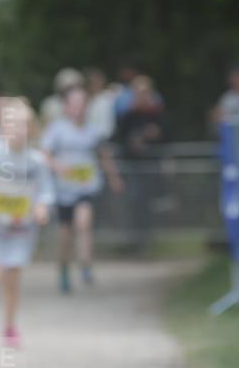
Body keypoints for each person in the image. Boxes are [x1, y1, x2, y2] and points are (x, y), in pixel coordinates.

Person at [0, 97, 53, 347]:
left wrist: (41, 207)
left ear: (31, 129)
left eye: (22, 125)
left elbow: (45, 190)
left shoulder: (36, 160)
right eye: (12, 124)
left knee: (13, 281)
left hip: (20, 230)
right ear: (3, 127)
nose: (17, 130)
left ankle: (10, 326)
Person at [41, 86, 123, 293]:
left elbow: (104, 155)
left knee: (83, 223)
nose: (78, 108)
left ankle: (85, 264)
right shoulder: (57, 130)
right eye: (74, 104)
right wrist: (58, 167)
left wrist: (114, 178)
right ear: (67, 107)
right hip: (63, 190)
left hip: (86, 187)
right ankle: (64, 268)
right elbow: (44, 155)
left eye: (82, 104)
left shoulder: (93, 131)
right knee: (65, 234)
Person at [115, 75, 165, 253]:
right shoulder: (127, 116)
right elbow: (119, 139)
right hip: (133, 167)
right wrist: (132, 143)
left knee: (148, 203)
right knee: (133, 201)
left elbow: (165, 137)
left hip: (151, 166)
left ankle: (147, 240)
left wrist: (155, 135)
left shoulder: (156, 114)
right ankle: (133, 239)